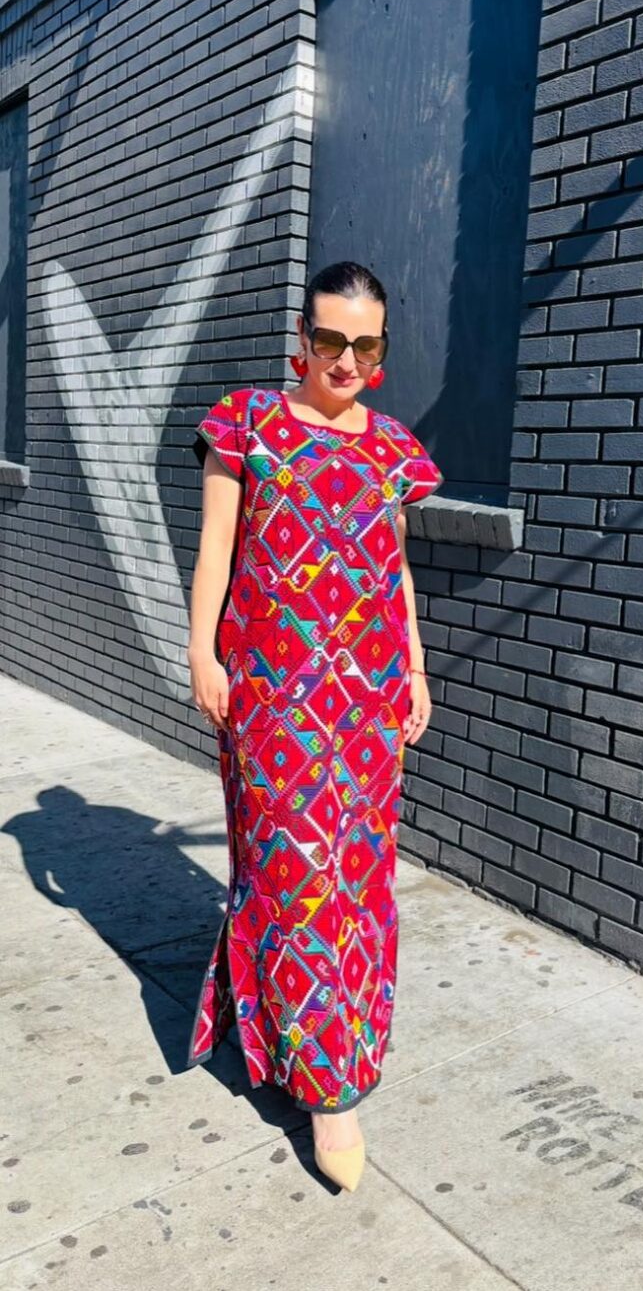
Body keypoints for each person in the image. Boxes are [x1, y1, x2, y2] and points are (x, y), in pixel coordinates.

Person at [185, 260, 444, 1192]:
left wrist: (414, 668)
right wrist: (202, 652)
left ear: (380, 352)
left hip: (368, 695)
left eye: (363, 344)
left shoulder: (393, 449)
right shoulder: (248, 423)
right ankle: (321, 1083)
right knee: (291, 874)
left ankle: (326, 1056)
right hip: (272, 690)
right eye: (328, 339)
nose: (343, 359)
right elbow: (217, 545)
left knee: (361, 876)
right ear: (301, 337)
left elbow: (397, 569)